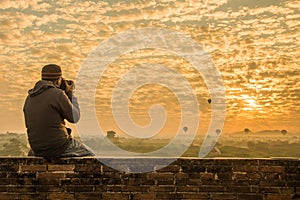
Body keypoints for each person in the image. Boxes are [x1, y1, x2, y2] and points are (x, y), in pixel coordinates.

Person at [23, 64, 95, 159]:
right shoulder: (58, 94)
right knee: (90, 154)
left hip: (37, 149)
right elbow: (75, 118)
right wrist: (70, 93)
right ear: (58, 80)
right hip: (59, 147)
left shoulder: (30, 97)